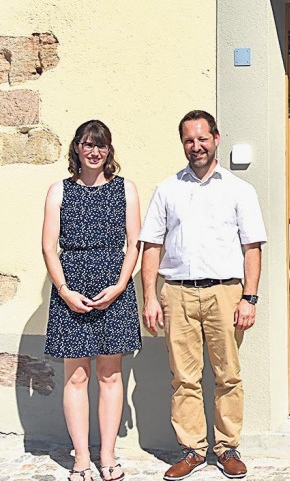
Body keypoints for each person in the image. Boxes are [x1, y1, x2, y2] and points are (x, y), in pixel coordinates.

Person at [139, 110, 266, 481]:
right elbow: (151, 246)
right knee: (183, 378)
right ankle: (192, 450)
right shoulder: (167, 189)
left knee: (228, 375)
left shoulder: (239, 190)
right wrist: (149, 298)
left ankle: (227, 449)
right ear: (183, 144)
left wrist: (250, 298)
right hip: (176, 294)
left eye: (202, 139)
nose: (196, 147)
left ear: (216, 138)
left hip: (225, 294)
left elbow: (252, 248)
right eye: (188, 141)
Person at [42, 120, 142, 481]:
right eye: (88, 144)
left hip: (113, 288)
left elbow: (135, 244)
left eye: (101, 146)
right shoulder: (59, 191)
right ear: (77, 148)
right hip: (72, 289)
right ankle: (81, 457)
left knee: (110, 374)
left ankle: (109, 456)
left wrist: (118, 286)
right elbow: (49, 247)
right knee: (77, 376)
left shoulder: (126, 190)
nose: (94, 152)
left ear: (109, 150)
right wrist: (65, 291)